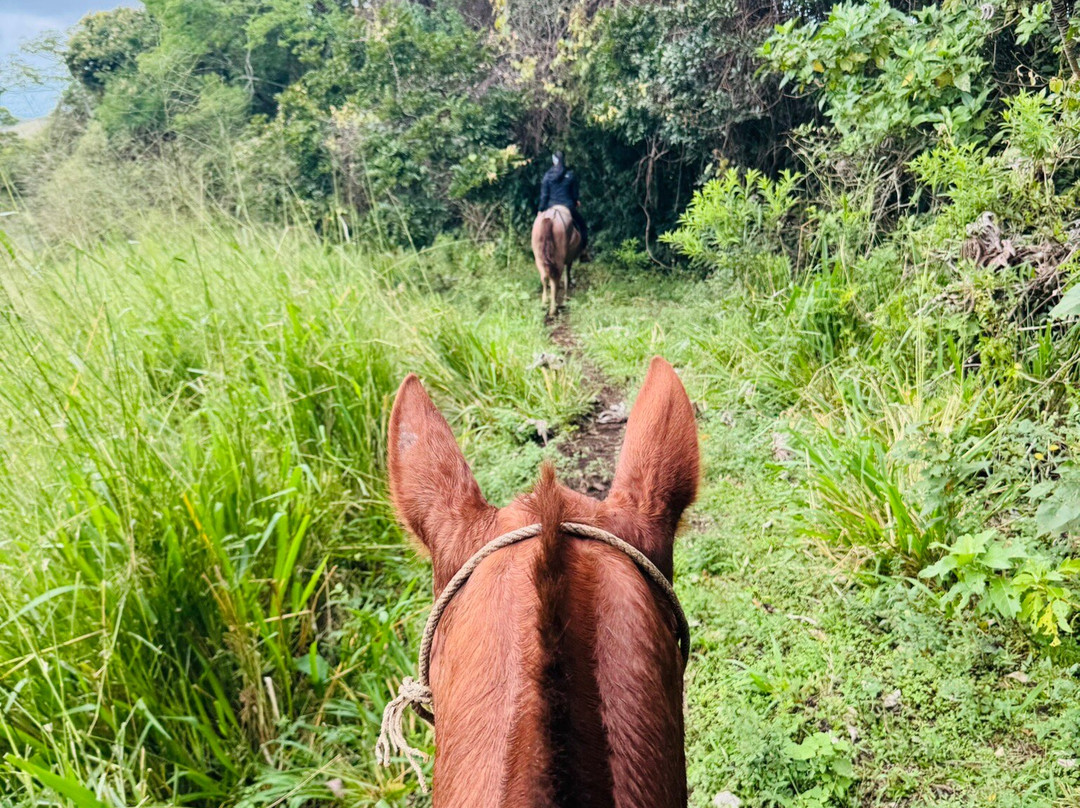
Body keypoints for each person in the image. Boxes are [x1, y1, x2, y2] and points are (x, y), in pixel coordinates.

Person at [538, 150, 589, 260]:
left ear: (553, 161)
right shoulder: (570, 175)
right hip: (568, 206)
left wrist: (541, 209)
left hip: (550, 207)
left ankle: (537, 249)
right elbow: (574, 194)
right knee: (582, 226)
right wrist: (576, 201)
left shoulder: (547, 176)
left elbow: (544, 195)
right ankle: (583, 252)